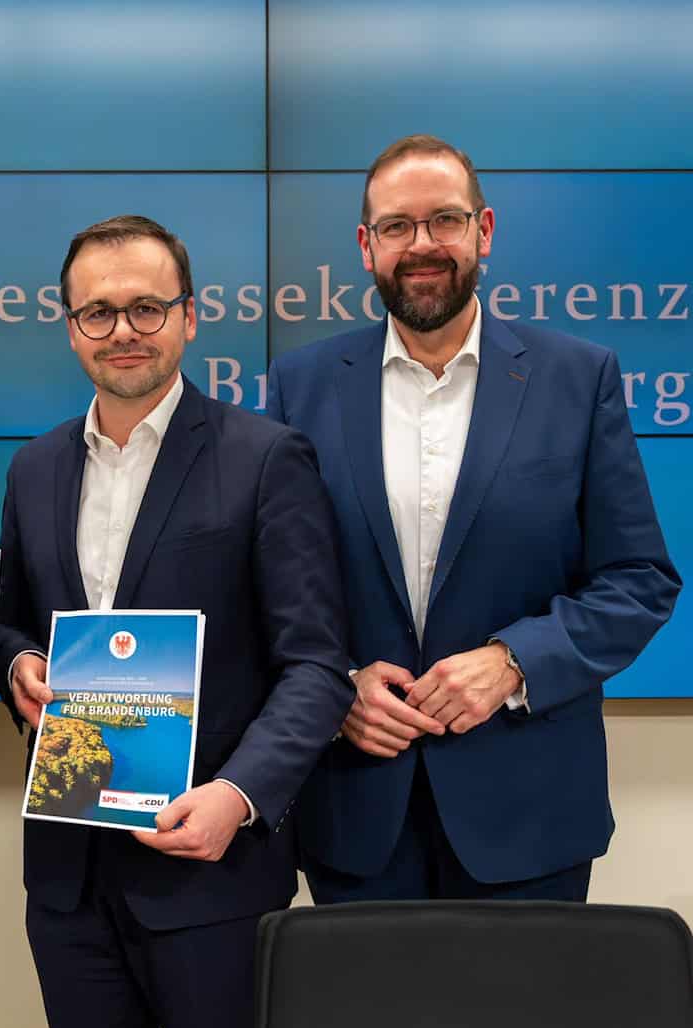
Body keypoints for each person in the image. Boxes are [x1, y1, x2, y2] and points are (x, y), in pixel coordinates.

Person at [266, 134, 682, 903]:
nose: (421, 245)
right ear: (366, 245)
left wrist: (514, 662)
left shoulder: (577, 378)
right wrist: (338, 684)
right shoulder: (301, 385)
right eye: (397, 226)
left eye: (445, 220)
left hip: (530, 813)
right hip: (356, 808)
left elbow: (639, 581)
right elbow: (274, 585)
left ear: (483, 231)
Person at [0, 215, 353, 1028]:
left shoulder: (266, 458)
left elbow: (315, 665)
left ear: (189, 317)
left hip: (213, 875)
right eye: (98, 312)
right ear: (71, 327)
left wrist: (239, 797)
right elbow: (12, 621)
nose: (123, 331)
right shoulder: (35, 468)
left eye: (147, 308)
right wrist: (17, 664)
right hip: (69, 881)